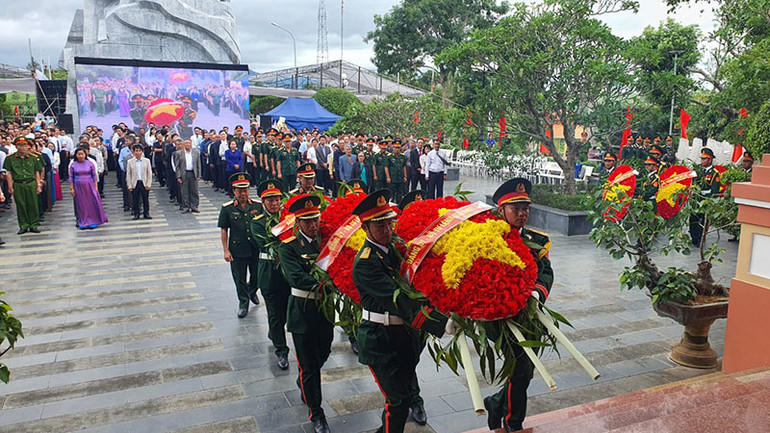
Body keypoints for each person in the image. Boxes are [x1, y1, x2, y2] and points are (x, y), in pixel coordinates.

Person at [351, 189, 456, 433]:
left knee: (404, 397)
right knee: (397, 402)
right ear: (365, 229)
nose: (387, 230)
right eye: (380, 226)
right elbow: (399, 301)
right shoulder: (366, 262)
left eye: (389, 223)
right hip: (380, 339)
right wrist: (441, 323)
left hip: (405, 337)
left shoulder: (396, 247)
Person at [486, 178, 554, 432]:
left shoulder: (536, 241)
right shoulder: (489, 239)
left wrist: (537, 293)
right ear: (501, 210)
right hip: (501, 317)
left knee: (523, 370)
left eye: (526, 208)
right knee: (521, 369)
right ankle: (513, 422)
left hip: (530, 313)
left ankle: (496, 404)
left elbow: (546, 273)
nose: (523, 214)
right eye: (517, 209)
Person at [278, 194, 334, 433]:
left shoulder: (327, 241)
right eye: (307, 221)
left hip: (324, 311)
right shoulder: (288, 246)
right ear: (297, 222)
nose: (313, 225)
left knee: (324, 351)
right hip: (302, 311)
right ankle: (317, 413)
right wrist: (330, 282)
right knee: (309, 365)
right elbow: (297, 278)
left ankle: (305, 381)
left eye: (316, 219)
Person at [250, 179, 291, 370]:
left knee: (285, 312)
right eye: (270, 200)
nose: (274, 204)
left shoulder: (289, 218)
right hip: (269, 273)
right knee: (274, 312)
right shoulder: (258, 223)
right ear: (263, 202)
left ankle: (275, 332)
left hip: (288, 274)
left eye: (277, 200)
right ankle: (281, 351)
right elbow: (268, 242)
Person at [218, 172, 261, 318]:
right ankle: (243, 303)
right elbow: (224, 230)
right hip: (237, 249)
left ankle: (252, 291)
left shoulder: (258, 206)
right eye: (240, 190)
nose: (243, 193)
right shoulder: (227, 208)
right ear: (234, 191)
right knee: (239, 278)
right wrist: (225, 250)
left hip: (255, 248)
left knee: (258, 275)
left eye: (246, 190)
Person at [3, 137, 43, 234]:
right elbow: (9, 173)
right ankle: (23, 225)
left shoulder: (34, 158)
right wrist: (10, 186)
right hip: (18, 183)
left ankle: (34, 224)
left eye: (25, 145)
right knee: (21, 205)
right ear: (16, 146)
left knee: (33, 204)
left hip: (31, 183)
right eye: (21, 145)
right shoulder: (10, 158)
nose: (23, 148)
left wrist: (38, 185)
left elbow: (36, 172)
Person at [689, 148, 722, 247]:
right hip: (696, 200)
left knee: (702, 221)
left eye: (705, 159)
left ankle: (699, 239)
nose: (702, 161)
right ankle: (694, 238)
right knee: (693, 220)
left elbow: (714, 191)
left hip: (705, 201)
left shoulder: (714, 173)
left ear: (710, 160)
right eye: (702, 159)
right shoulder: (698, 170)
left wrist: (702, 193)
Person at [69, 147, 108, 229]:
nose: (81, 156)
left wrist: (96, 187)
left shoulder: (90, 163)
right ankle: (83, 221)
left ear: (85, 154)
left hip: (89, 185)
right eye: (79, 154)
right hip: (78, 186)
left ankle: (92, 220)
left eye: (82, 154)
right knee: (81, 204)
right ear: (76, 155)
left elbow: (94, 176)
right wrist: (72, 188)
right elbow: (71, 177)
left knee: (91, 203)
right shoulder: (73, 165)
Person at [125, 144, 153, 220]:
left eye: (139, 150)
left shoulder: (146, 161)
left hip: (144, 182)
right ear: (133, 152)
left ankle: (146, 213)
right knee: (135, 199)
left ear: (142, 152)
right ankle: (136, 213)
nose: (138, 152)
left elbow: (149, 173)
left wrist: (148, 183)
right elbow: (128, 174)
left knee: (145, 199)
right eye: (136, 151)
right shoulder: (130, 162)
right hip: (135, 182)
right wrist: (129, 185)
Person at [174, 139, 201, 213]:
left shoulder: (196, 152)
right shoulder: (179, 153)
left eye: (189, 143)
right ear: (183, 144)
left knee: (194, 191)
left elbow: (198, 164)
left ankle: (194, 206)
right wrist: (178, 176)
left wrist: (199, 175)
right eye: (186, 143)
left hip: (193, 173)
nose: (187, 145)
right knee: (184, 191)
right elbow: (177, 166)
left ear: (191, 144)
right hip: (184, 173)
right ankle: (185, 206)